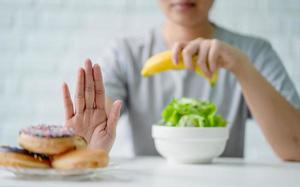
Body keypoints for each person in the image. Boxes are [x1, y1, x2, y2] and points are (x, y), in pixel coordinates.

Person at [62, 0, 300, 160]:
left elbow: (295, 147)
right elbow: (94, 129)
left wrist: (242, 67)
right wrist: (85, 143)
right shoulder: (125, 54)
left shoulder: (253, 52)